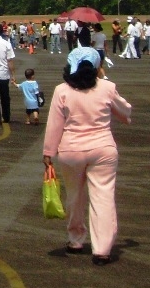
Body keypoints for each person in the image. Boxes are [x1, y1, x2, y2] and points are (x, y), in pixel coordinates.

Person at [43, 47, 132, 265]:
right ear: (96, 66)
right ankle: (102, 249)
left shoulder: (62, 90)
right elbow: (125, 113)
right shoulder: (107, 87)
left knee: (75, 196)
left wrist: (48, 152)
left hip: (71, 149)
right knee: (103, 197)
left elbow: (55, 125)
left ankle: (75, 239)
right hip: (102, 149)